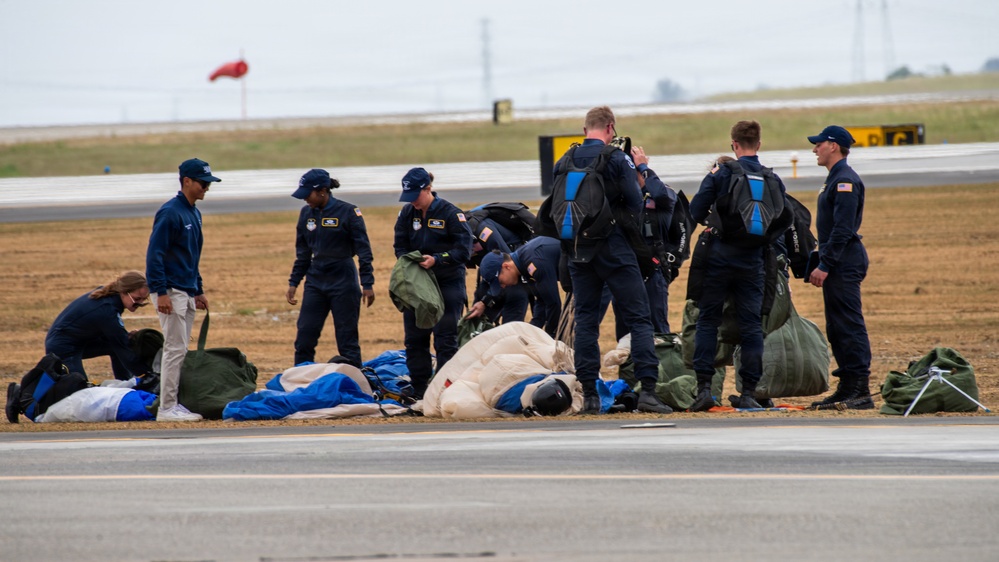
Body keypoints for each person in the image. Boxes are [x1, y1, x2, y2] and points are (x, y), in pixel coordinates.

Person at [552, 106, 673, 415]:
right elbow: (635, 203)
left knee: (587, 323)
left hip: (579, 251)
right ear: (610, 129)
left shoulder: (564, 161)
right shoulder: (618, 158)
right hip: (614, 249)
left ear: (584, 130)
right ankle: (647, 391)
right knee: (639, 318)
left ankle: (590, 396)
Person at [687, 120, 789, 411]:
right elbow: (785, 217)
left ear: (733, 145)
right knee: (751, 327)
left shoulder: (722, 173)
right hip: (753, 260)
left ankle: (704, 389)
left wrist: (714, 223)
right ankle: (748, 393)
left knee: (708, 320)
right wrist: (762, 239)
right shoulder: (771, 178)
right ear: (759, 144)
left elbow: (695, 210)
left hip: (719, 255)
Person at [146, 157, 220, 422]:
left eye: (209, 183)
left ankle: (173, 404)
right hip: (171, 291)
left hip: (186, 290)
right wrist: (161, 291)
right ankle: (167, 409)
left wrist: (198, 289)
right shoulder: (170, 212)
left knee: (180, 350)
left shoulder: (194, 212)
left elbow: (192, 257)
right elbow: (155, 255)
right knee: (175, 349)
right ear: (186, 181)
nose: (206, 188)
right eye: (203, 183)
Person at [806, 125, 874, 409]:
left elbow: (843, 229)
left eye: (818, 144)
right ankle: (847, 387)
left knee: (849, 325)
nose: (814, 149)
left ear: (833, 146)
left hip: (844, 261)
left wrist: (825, 264)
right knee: (837, 327)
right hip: (838, 260)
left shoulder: (845, 180)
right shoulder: (835, 178)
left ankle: (860, 390)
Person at [393, 167, 474, 399]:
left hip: (447, 283)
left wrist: (437, 260)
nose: (412, 203)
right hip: (418, 286)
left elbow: (463, 251)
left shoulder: (451, 214)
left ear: (428, 189)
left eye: (415, 197)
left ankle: (443, 389)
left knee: (445, 338)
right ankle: (419, 389)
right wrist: (410, 261)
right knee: (415, 338)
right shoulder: (407, 214)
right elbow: (400, 246)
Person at [286, 168, 375, 369]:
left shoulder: (349, 212)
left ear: (323, 191)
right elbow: (303, 254)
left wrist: (367, 283)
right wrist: (294, 282)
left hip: (344, 280)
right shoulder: (306, 214)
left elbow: (364, 251)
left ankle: (354, 384)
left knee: (347, 339)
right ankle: (300, 381)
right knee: (304, 337)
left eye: (307, 194)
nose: (304, 199)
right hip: (315, 280)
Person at [45, 270, 154, 381]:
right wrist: (146, 375)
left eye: (144, 300)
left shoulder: (111, 300)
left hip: (79, 341)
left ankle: (125, 386)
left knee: (116, 345)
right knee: (79, 390)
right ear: (123, 292)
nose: (140, 303)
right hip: (63, 347)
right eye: (136, 299)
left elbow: (117, 339)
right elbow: (122, 346)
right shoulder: (107, 310)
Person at [478, 236, 563, 337]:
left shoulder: (534, 263)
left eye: (500, 282)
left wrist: (551, 336)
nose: (503, 286)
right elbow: (541, 300)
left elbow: (553, 303)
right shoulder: (522, 263)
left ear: (506, 266)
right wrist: (530, 331)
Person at [465, 214, 530, 325]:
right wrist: (483, 301)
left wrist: (487, 300)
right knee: (477, 315)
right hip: (495, 271)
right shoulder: (455, 238)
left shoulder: (485, 232)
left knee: (511, 324)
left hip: (513, 274)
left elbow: (508, 265)